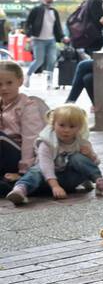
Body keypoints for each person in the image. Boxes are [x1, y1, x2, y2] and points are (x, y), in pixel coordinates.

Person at [6, 104, 103, 204]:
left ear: (79, 127)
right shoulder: (46, 143)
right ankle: (21, 189)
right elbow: (46, 166)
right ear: (53, 124)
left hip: (69, 180)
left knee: (77, 158)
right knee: (36, 170)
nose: (66, 130)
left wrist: (90, 155)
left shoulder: (81, 142)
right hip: (47, 180)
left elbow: (94, 163)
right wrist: (55, 186)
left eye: (72, 126)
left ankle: (100, 182)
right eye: (62, 125)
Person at [0, 60, 48, 198]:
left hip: (21, 156)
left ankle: (21, 181)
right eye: (0, 84)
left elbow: (31, 140)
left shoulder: (27, 105)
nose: (4, 88)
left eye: (9, 83)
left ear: (20, 81)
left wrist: (24, 171)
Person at [23, 0, 63, 89]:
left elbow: (57, 26)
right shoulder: (36, 9)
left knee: (52, 60)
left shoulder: (54, 11)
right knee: (39, 60)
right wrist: (29, 35)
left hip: (51, 40)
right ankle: (27, 75)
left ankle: (49, 83)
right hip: (38, 39)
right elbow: (28, 23)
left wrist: (62, 36)